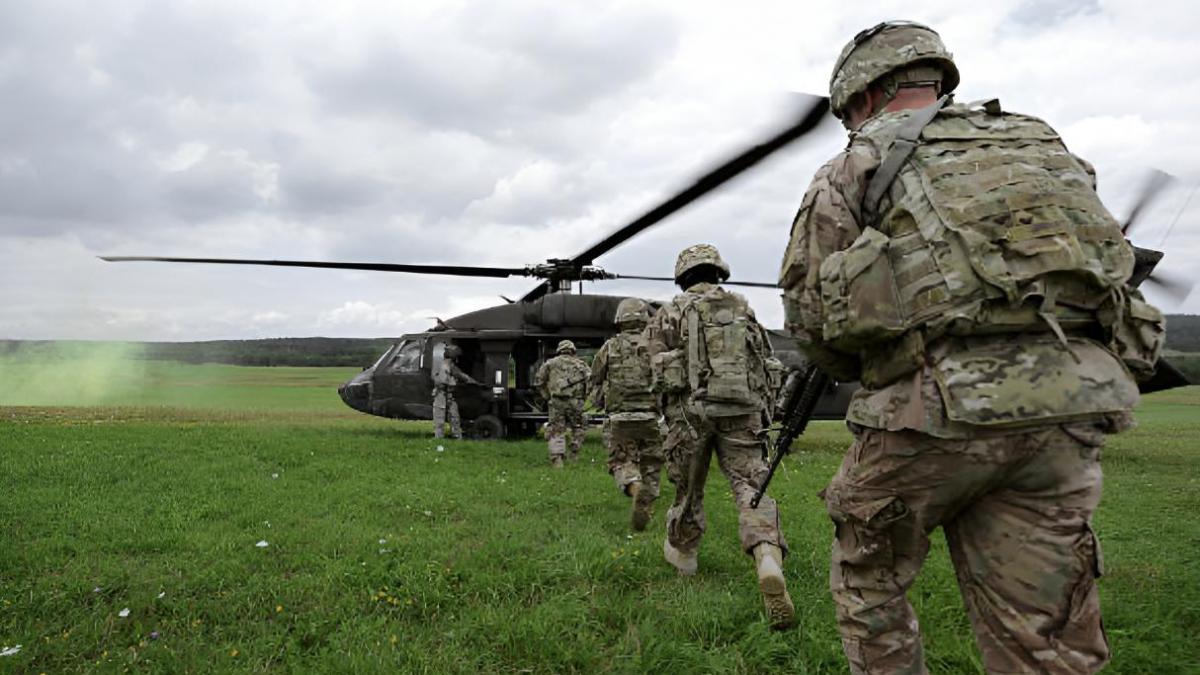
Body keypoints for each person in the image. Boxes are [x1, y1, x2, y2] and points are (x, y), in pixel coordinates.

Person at [779, 20, 1165, 674]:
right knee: (1045, 628)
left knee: (871, 571)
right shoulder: (1043, 146)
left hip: (932, 412)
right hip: (1068, 408)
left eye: (848, 114)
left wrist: (869, 364)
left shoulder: (857, 163)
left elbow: (809, 316)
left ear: (864, 96)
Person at [647, 243, 795, 630]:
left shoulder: (670, 311)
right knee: (751, 485)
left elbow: (654, 371)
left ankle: (684, 558)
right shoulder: (742, 309)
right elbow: (764, 361)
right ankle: (766, 554)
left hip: (690, 414)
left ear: (682, 276)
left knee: (688, 489)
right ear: (718, 273)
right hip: (742, 412)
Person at [590, 297, 664, 531]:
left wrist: (599, 398)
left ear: (620, 320)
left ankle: (634, 487)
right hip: (651, 417)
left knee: (621, 461)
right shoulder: (655, 346)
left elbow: (595, 377)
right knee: (652, 463)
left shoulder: (610, 347)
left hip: (620, 417)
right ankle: (646, 504)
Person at [534, 340, 591, 467]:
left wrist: (547, 396)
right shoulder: (581, 365)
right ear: (573, 351)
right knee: (579, 427)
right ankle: (574, 453)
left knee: (556, 429)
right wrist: (584, 397)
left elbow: (539, 381)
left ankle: (557, 459)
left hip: (556, 402)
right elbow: (591, 382)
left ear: (559, 351)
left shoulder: (550, 363)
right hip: (576, 402)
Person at [431, 342, 480, 440]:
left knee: (447, 416)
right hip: (443, 393)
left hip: (445, 393)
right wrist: (476, 383)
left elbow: (461, 376)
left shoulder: (445, 365)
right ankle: (451, 436)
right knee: (446, 416)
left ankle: (444, 436)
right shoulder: (447, 366)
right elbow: (462, 377)